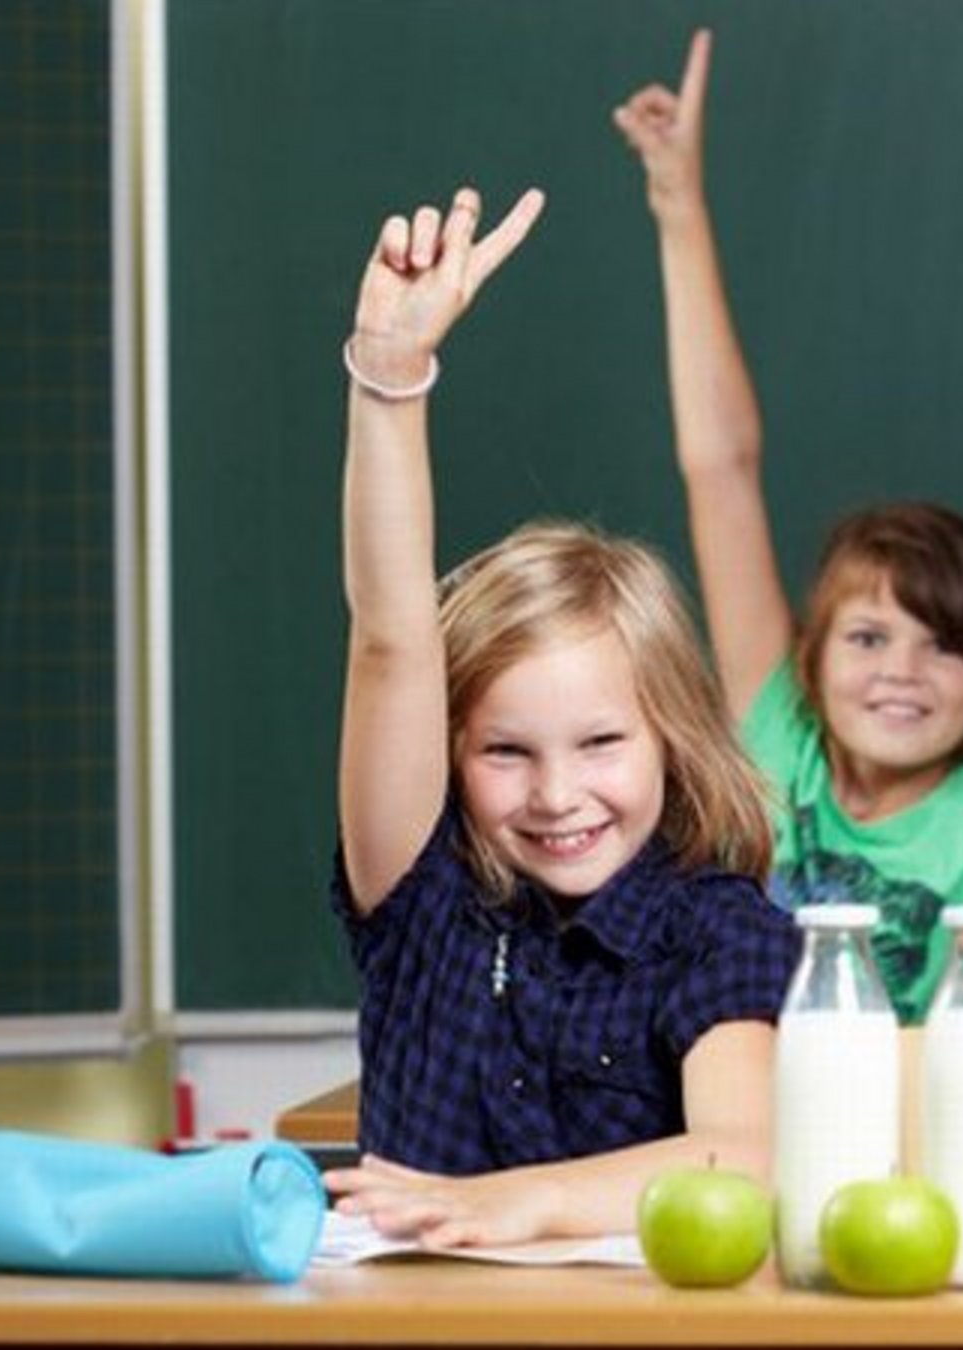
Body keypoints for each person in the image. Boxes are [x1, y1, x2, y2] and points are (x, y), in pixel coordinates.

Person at [612, 31, 963, 1031]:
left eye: (944, 645)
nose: (901, 671)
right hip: (742, 1128)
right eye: (868, 637)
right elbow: (719, 466)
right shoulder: (776, 732)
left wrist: (928, 1055)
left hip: (908, 1144)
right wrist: (678, 206)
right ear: (809, 660)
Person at [322, 183, 800, 1248]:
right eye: (504, 750)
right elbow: (391, 643)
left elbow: (749, 1156)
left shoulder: (716, 930)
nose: (555, 794)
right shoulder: (423, 900)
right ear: (452, 750)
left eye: (600, 743)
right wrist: (389, 379)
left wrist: (515, 1204)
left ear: (671, 737)